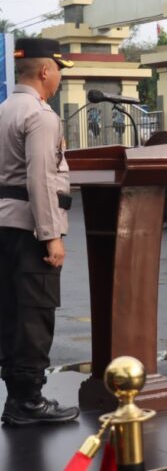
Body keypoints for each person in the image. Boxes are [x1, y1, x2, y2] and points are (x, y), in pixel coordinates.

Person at [0, 37, 80, 426]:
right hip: (30, 230)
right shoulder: (41, 115)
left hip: (3, 225)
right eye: (60, 70)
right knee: (35, 313)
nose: (60, 78)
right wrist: (51, 235)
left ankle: (17, 398)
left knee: (10, 311)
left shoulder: (3, 109)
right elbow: (42, 180)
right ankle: (27, 402)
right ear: (46, 70)